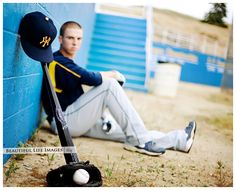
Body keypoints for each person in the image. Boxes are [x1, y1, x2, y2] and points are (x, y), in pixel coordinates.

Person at [42, 21, 197, 156]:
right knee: (109, 85)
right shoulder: (58, 61)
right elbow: (91, 78)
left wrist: (102, 115)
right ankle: (139, 142)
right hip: (64, 122)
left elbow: (81, 96)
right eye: (70, 38)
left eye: (79, 38)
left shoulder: (67, 61)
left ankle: (180, 140)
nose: (75, 42)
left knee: (131, 131)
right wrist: (114, 73)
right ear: (61, 39)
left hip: (77, 120)